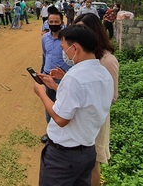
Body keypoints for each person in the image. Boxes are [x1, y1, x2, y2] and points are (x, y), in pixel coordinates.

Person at [33, 25, 114, 186]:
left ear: (75, 48)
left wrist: (41, 92)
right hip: (87, 151)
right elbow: (82, 101)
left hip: (63, 157)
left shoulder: (74, 77)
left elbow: (61, 118)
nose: (64, 52)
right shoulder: (104, 74)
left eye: (64, 48)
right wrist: (55, 86)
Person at [74, 13, 119, 186]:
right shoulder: (85, 55)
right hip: (80, 117)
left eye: (83, 29)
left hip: (96, 119)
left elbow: (112, 96)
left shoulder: (107, 60)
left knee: (93, 162)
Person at [39, 10, 68, 143]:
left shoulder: (67, 39)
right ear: (47, 23)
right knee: (49, 107)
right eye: (51, 22)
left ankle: (63, 136)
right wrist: (42, 73)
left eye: (56, 22)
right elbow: (45, 55)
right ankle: (50, 133)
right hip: (47, 78)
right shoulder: (45, 38)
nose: (54, 24)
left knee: (64, 108)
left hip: (63, 79)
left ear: (62, 22)